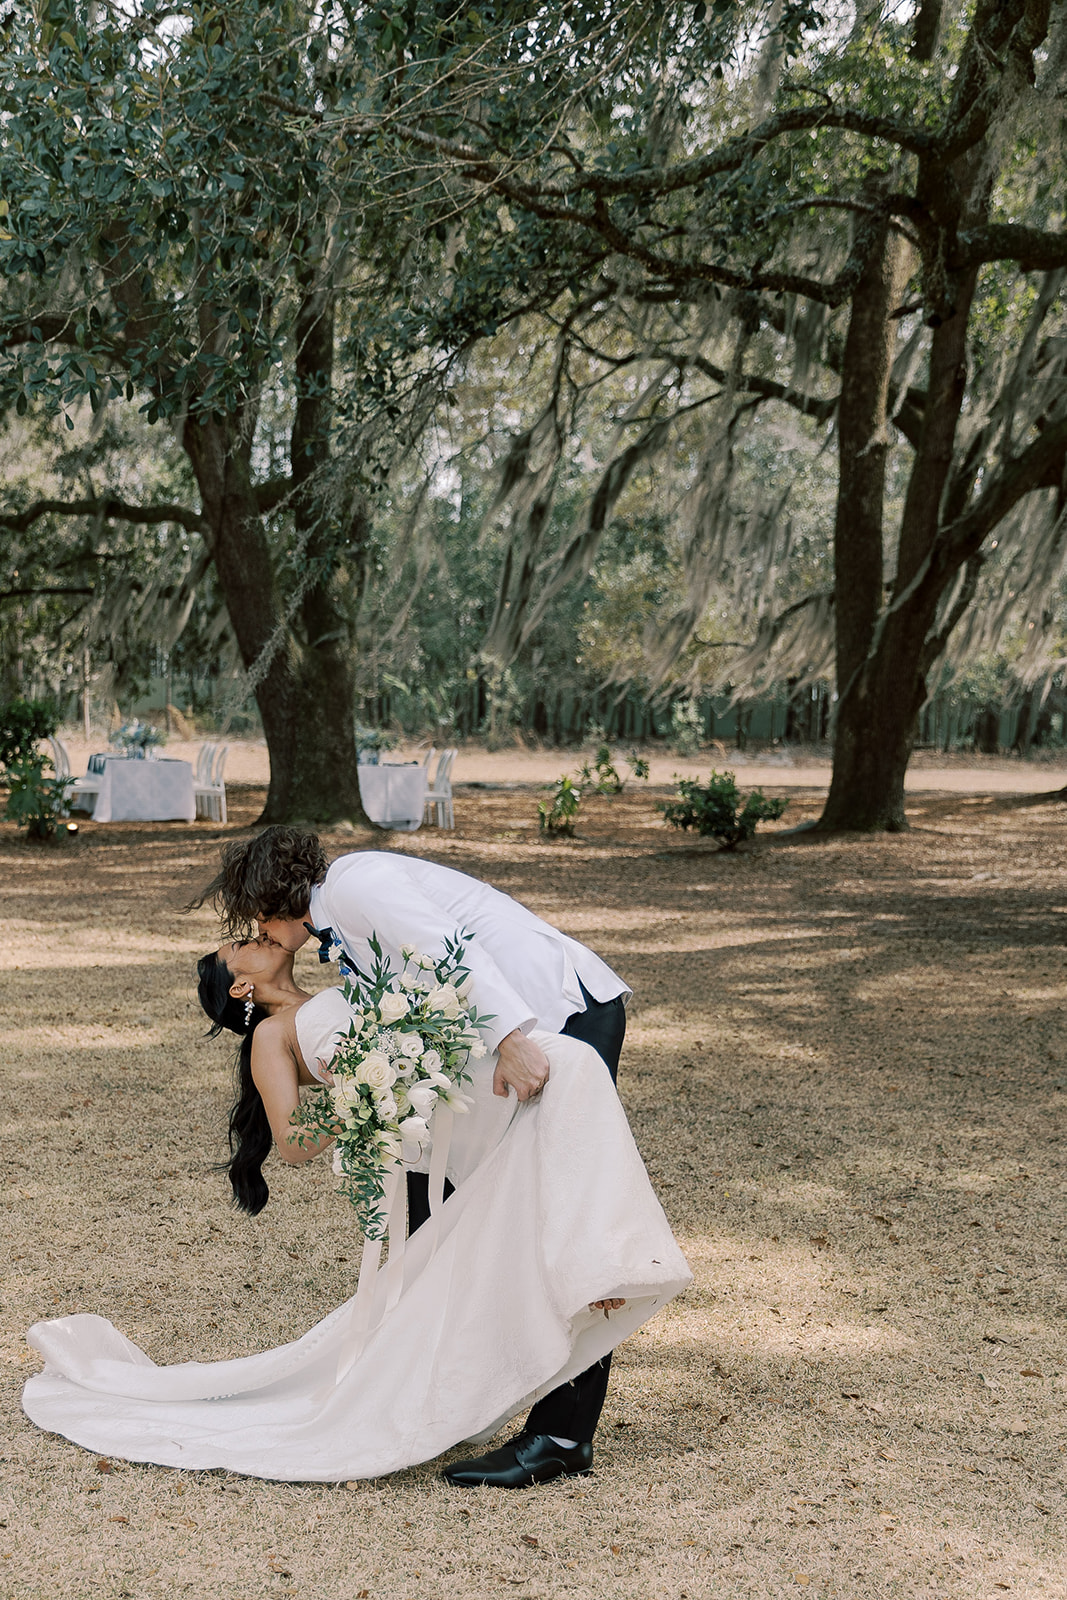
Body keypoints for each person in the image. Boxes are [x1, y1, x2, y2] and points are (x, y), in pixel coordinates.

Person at [22, 941, 691, 1485]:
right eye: (242, 946)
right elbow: (290, 1142)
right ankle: (540, 1377)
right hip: (438, 1136)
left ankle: (566, 1359)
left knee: (536, 1202)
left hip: (478, 1104)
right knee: (476, 1263)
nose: (257, 938)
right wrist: (360, 1111)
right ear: (239, 988)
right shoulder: (271, 1038)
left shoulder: (340, 980)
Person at [198, 827, 634, 1487]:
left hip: (557, 1016)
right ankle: (473, 1402)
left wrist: (510, 1038)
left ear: (276, 898)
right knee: (500, 1231)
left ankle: (561, 1432)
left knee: (558, 1214)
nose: (256, 930)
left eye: (255, 917)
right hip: (479, 1080)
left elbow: (443, 953)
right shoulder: (336, 938)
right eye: (245, 933)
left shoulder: (357, 886)